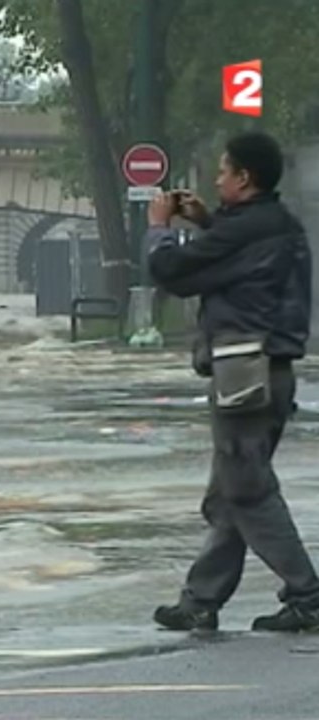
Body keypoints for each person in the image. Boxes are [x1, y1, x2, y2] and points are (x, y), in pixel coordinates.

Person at [147, 130, 319, 633]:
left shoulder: (248, 231)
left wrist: (158, 228)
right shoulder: (278, 223)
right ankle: (200, 601)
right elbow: (236, 260)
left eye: (223, 172)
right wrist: (208, 222)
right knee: (229, 495)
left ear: (245, 178)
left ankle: (308, 595)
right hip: (272, 372)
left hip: (245, 370)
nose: (217, 180)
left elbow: (171, 271)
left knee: (246, 490)